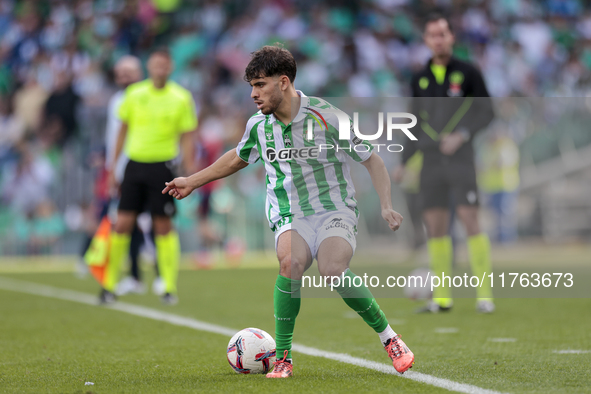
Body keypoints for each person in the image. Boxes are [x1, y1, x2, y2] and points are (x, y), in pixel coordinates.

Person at [163, 45, 414, 378]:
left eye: (260, 85)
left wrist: (386, 205)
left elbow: (372, 159)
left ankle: (390, 338)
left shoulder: (327, 116)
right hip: (289, 213)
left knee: (333, 269)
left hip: (333, 209)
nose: (253, 94)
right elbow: (237, 158)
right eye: (251, 86)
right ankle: (282, 357)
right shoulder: (258, 126)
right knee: (290, 263)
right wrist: (192, 181)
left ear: (283, 82)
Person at [393, 14, 495, 313]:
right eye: (432, 35)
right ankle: (442, 298)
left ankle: (484, 296)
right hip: (431, 163)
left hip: (461, 160)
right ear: (426, 40)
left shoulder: (469, 72)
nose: (438, 39)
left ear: (452, 38)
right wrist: (404, 160)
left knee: (470, 221)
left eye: (443, 34)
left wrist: (462, 135)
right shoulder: (419, 77)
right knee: (435, 229)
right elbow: (414, 122)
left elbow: (487, 112)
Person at [103, 48, 197, 305]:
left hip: (163, 167)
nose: (159, 70)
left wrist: (189, 169)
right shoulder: (134, 94)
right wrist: (112, 168)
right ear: (149, 67)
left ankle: (168, 285)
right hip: (134, 166)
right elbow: (122, 131)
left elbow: (187, 136)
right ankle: (109, 285)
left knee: (163, 226)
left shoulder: (181, 97)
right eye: (155, 65)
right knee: (122, 224)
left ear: (170, 68)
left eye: (163, 65)